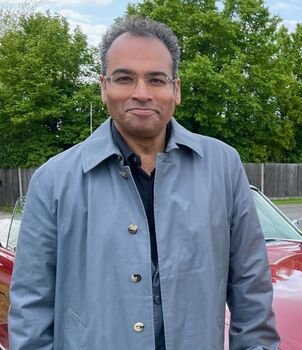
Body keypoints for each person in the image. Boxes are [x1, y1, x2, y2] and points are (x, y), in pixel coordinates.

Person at [9, 16, 280, 350]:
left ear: (175, 89)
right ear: (103, 86)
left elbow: (251, 289)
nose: (141, 93)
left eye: (156, 79)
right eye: (124, 78)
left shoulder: (223, 167)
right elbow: (31, 308)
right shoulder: (53, 181)